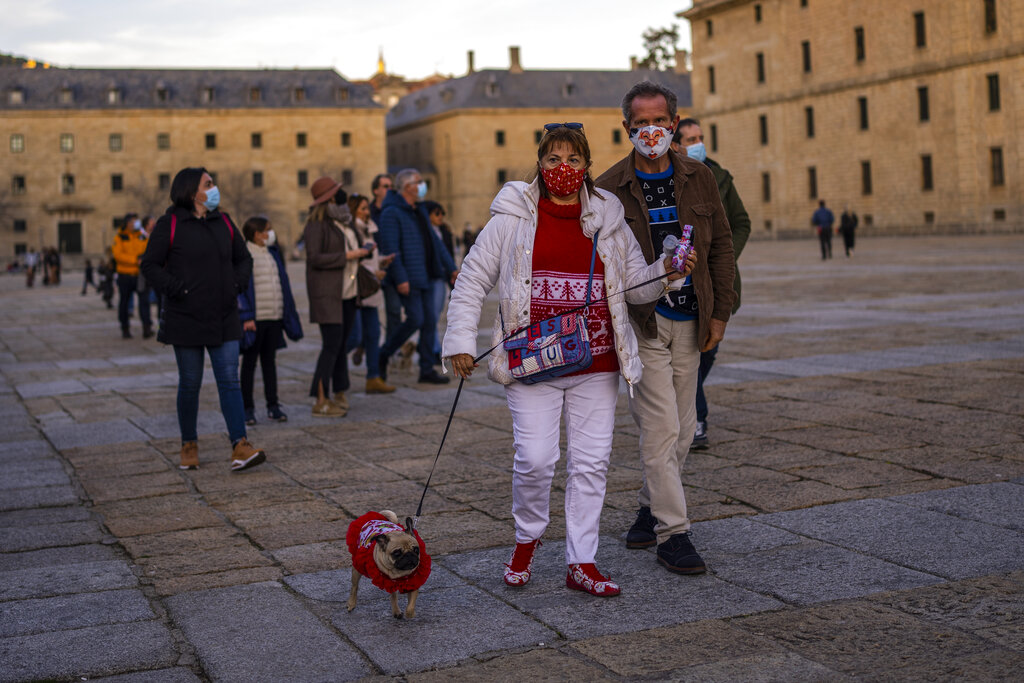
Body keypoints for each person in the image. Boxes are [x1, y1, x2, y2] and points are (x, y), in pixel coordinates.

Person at [444, 123, 692, 597]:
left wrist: (668, 269)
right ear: (539, 163)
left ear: (587, 166)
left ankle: (582, 559)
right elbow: (473, 278)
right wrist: (459, 340)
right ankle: (526, 540)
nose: (564, 169)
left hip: (595, 360)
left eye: (574, 161)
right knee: (535, 460)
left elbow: (635, 284)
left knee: (591, 463)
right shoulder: (511, 216)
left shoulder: (608, 217)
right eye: (554, 160)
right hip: (533, 359)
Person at [596, 81, 735, 576]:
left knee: (678, 434)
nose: (650, 132)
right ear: (627, 129)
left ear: (674, 123)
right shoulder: (609, 187)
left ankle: (647, 506)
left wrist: (721, 313)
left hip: (693, 316)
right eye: (640, 125)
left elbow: (720, 247)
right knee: (660, 431)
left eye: (659, 122)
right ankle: (673, 535)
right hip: (643, 323)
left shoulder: (699, 177)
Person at [140, 167, 266, 473]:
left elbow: (243, 258)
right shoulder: (170, 224)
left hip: (224, 314)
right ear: (191, 191)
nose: (214, 188)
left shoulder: (222, 220)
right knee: (191, 383)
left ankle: (240, 444)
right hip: (186, 317)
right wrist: (177, 290)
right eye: (208, 184)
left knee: (229, 381)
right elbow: (150, 266)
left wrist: (236, 284)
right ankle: (189, 443)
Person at [673, 118, 751, 449]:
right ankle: (697, 419)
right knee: (688, 354)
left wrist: (724, 251)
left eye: (700, 137)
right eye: (691, 138)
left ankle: (685, 404)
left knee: (708, 351)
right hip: (681, 281)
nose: (698, 143)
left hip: (717, 280)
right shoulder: (667, 177)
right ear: (676, 144)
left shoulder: (720, 177)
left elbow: (741, 222)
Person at [377, 169, 457, 385]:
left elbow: (435, 242)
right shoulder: (391, 213)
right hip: (408, 276)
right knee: (416, 319)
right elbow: (391, 249)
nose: (422, 186)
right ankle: (384, 354)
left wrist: (452, 268)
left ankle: (425, 369)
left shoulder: (419, 210)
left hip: (427, 274)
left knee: (429, 321)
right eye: (419, 182)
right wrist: (401, 278)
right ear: (407, 187)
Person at [304, 176, 372, 417]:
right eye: (337, 193)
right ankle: (320, 399)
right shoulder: (316, 225)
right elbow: (314, 258)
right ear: (329, 198)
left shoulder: (345, 222)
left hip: (348, 293)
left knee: (341, 344)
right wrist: (350, 255)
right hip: (327, 295)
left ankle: (340, 390)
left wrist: (364, 252)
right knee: (331, 345)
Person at [238, 216, 303, 425]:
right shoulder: (244, 255)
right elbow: (240, 289)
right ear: (256, 234)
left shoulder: (273, 253)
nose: (270, 233)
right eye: (267, 230)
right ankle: (247, 408)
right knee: (249, 364)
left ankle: (273, 405)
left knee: (270, 363)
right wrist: (246, 316)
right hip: (255, 320)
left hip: (274, 316)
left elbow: (282, 284)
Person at [347, 193, 396, 394]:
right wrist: (372, 272)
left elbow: (369, 259)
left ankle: (373, 377)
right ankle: (332, 370)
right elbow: (354, 262)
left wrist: (382, 261)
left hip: (370, 290)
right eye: (363, 208)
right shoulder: (352, 231)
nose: (368, 212)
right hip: (358, 290)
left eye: (367, 208)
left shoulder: (368, 230)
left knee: (374, 334)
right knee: (354, 336)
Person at [423, 200, 456, 364]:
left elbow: (448, 254)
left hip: (441, 277)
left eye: (442, 213)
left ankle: (433, 348)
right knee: (431, 317)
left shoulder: (445, 231)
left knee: (434, 316)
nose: (441, 217)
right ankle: (433, 349)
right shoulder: (425, 232)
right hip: (430, 277)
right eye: (437, 214)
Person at [112, 213, 153, 338]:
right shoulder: (120, 237)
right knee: (124, 302)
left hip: (140, 275)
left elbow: (149, 249)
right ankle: (125, 328)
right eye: (133, 221)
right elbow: (118, 255)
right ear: (127, 223)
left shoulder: (141, 236)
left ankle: (147, 327)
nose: (136, 223)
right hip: (125, 275)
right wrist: (135, 260)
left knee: (144, 302)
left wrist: (144, 258)